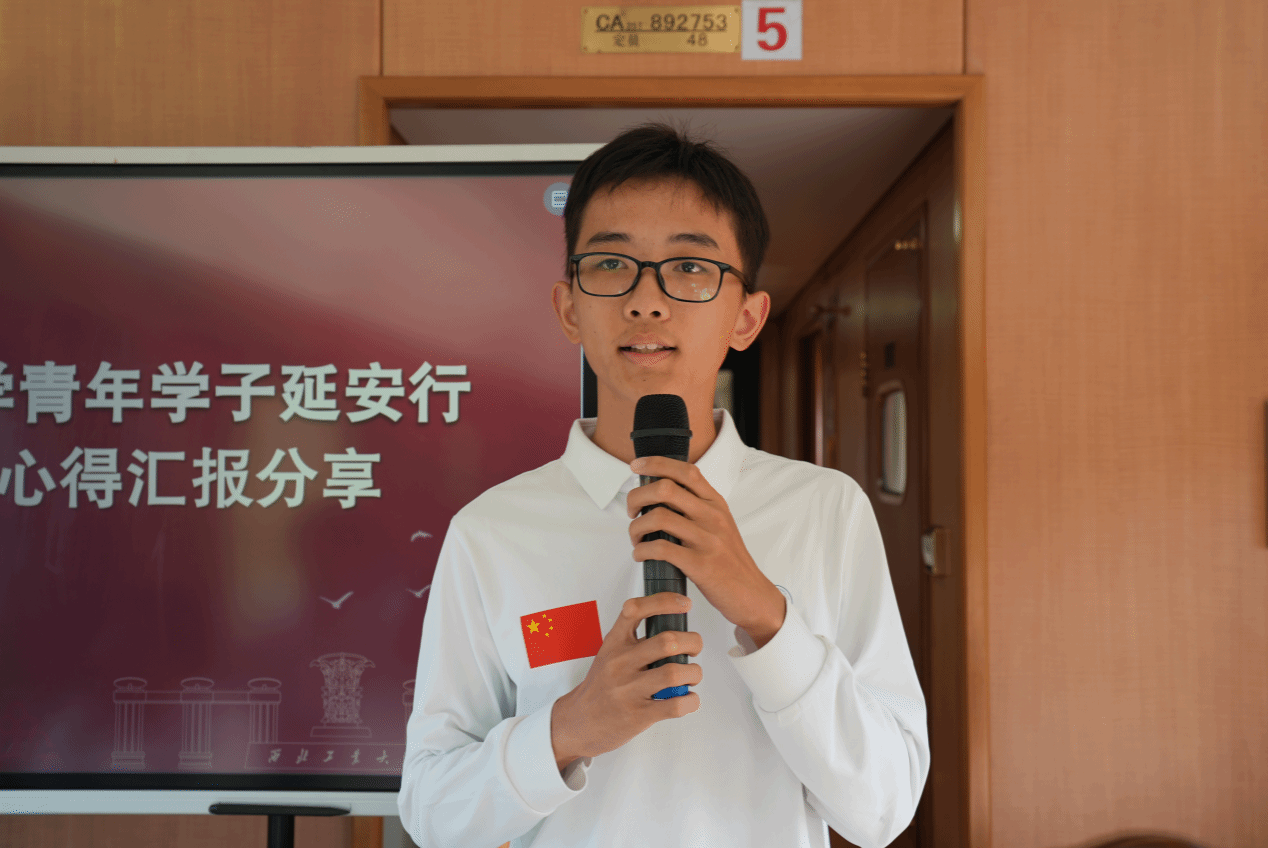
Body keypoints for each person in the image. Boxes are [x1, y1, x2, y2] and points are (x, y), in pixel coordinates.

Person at [397, 123, 929, 848]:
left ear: (747, 317)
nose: (647, 301)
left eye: (689, 267)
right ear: (569, 308)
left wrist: (765, 613)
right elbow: (433, 815)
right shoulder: (492, 532)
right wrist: (569, 728)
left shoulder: (825, 510)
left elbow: (884, 809)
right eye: (611, 264)